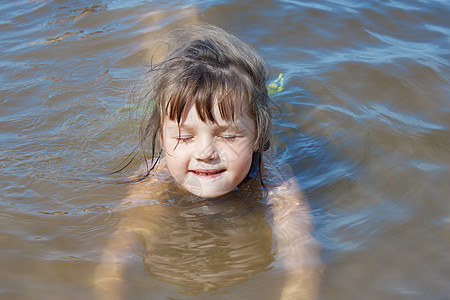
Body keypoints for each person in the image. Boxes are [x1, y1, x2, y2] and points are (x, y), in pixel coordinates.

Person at [94, 23, 321, 300]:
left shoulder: (276, 182)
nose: (206, 152)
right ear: (162, 140)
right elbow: (117, 255)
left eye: (227, 135)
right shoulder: (153, 178)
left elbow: (303, 264)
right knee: (156, 47)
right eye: (185, 137)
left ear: (258, 138)